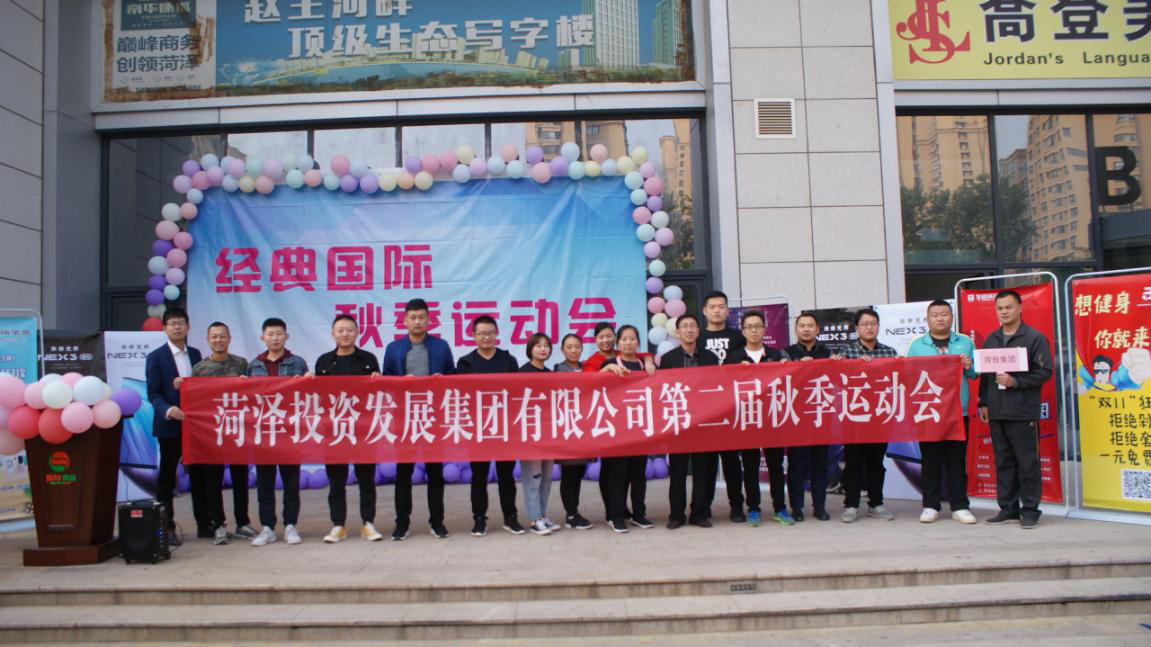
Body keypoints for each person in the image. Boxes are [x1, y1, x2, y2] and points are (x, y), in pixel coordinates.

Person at [978, 290, 1053, 530]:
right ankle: (1008, 509)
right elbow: (986, 377)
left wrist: (1016, 382)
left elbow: (1045, 372)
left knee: (1027, 463)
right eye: (1000, 308)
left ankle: (1030, 511)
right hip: (996, 412)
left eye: (1009, 307)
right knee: (1003, 462)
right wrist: (983, 402)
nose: (1004, 312)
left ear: (1020, 308)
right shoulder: (992, 339)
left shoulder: (1034, 338)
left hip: (1022, 412)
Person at [382, 298, 455, 540]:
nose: (417, 322)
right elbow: (386, 379)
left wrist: (442, 379)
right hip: (405, 418)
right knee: (403, 473)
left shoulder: (441, 346)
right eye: (413, 318)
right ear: (404, 321)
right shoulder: (394, 348)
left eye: (422, 317)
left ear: (428, 320)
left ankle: (437, 522)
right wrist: (399, 383)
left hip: (433, 417)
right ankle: (402, 523)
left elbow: (453, 376)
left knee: (435, 472)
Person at [907, 300, 978, 525]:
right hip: (929, 412)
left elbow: (974, 374)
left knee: (956, 462)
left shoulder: (964, 342)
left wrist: (969, 365)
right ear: (927, 319)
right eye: (935, 315)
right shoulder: (917, 345)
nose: (940, 318)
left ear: (952, 317)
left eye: (944, 314)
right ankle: (931, 506)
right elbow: (908, 375)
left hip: (958, 412)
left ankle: (960, 506)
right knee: (930, 461)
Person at [314, 314, 384, 543]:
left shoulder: (368, 359)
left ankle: (368, 523)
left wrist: (378, 379)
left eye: (349, 330)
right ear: (333, 334)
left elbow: (376, 394)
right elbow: (318, 395)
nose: (345, 334)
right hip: (334, 431)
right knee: (336, 482)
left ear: (357, 332)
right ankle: (338, 525)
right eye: (340, 330)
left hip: (363, 430)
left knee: (366, 480)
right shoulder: (324, 362)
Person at [455, 315, 524, 537]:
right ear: (473, 336)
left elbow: (516, 392)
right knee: (479, 476)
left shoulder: (508, 360)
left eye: (490, 333)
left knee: (506, 475)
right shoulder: (465, 363)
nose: (486, 337)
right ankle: (479, 519)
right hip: (477, 428)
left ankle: (511, 517)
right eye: (482, 333)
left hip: (504, 426)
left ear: (497, 334)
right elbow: (461, 395)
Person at [724, 310, 793, 527]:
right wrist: (737, 372)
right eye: (749, 327)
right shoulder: (734, 357)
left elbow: (792, 381)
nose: (753, 330)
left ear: (764, 329)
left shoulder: (778, 355)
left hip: (773, 418)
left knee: (776, 466)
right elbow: (724, 386)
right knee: (750, 467)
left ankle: (780, 508)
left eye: (757, 326)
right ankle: (753, 508)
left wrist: (788, 368)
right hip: (748, 419)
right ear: (743, 331)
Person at [190, 321, 256, 545]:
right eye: (214, 336)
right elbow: (195, 400)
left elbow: (252, 394)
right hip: (211, 431)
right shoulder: (199, 368)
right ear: (208, 340)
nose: (218, 340)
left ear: (229, 339)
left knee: (240, 478)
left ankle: (243, 522)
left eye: (222, 336)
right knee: (212, 480)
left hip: (237, 429)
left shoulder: (241, 364)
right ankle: (218, 524)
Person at [246, 317, 310, 546]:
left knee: (291, 481)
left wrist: (307, 381)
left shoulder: (297, 363)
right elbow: (247, 398)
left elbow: (307, 395)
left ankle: (291, 525)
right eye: (270, 334)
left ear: (286, 336)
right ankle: (267, 527)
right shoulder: (254, 365)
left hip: (289, 431)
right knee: (265, 482)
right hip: (263, 432)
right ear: (263, 337)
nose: (275, 338)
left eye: (279, 334)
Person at [144, 308, 203, 546]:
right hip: (170, 425)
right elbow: (153, 393)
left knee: (199, 476)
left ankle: (204, 524)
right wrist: (168, 409)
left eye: (180, 323)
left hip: (196, 426)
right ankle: (166, 527)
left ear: (188, 327)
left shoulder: (196, 354)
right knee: (167, 478)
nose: (177, 327)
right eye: (172, 324)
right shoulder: (156, 357)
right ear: (164, 328)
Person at [657, 314, 719, 529]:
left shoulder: (710, 358)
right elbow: (662, 390)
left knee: (702, 471)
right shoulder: (668, 359)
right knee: (678, 472)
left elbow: (716, 387)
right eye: (684, 326)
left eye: (693, 326)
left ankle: (699, 513)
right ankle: (676, 515)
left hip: (703, 421)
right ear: (677, 332)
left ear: (698, 331)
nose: (689, 330)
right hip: (678, 422)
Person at [838, 308, 898, 524]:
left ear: (878, 326)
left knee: (876, 463)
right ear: (857, 328)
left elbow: (899, 379)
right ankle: (851, 505)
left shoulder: (889, 352)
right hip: (854, 417)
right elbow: (836, 380)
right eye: (864, 324)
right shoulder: (847, 353)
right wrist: (850, 365)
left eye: (873, 323)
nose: (869, 327)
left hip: (880, 416)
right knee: (853, 462)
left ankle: (876, 504)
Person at [697, 290, 750, 522]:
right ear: (705, 311)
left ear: (728, 311)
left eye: (721, 306)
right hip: (705, 409)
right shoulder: (697, 336)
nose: (717, 310)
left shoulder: (738, 336)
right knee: (707, 464)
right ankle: (704, 506)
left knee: (731, 463)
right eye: (712, 306)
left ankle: (737, 507)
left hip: (732, 407)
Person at [598, 325, 654, 533]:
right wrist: (605, 371)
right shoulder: (610, 363)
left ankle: (639, 514)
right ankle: (616, 516)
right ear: (618, 343)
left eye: (632, 339)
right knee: (618, 475)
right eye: (624, 339)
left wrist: (649, 360)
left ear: (638, 342)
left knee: (638, 475)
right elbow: (596, 386)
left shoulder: (644, 364)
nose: (628, 343)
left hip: (640, 427)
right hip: (618, 429)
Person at [784, 312, 834, 522]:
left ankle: (819, 506)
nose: (806, 329)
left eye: (810, 325)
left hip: (821, 415)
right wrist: (795, 366)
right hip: (796, 417)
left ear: (817, 329)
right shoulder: (786, 353)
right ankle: (796, 507)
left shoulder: (828, 353)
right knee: (797, 465)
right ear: (796, 329)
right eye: (802, 325)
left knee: (820, 464)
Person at [520, 333, 559, 535]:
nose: (543, 349)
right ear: (530, 349)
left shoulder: (550, 373)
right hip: (529, 434)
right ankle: (534, 518)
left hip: (548, 433)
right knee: (533, 477)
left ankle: (542, 515)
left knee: (546, 477)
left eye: (546, 346)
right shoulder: (522, 373)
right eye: (538, 346)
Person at [554, 334, 593, 530]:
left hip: (585, 429)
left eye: (577, 347)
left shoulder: (587, 368)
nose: (573, 350)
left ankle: (574, 511)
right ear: (562, 350)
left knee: (579, 472)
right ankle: (570, 514)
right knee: (569, 473)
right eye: (569, 347)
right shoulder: (558, 369)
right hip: (568, 430)